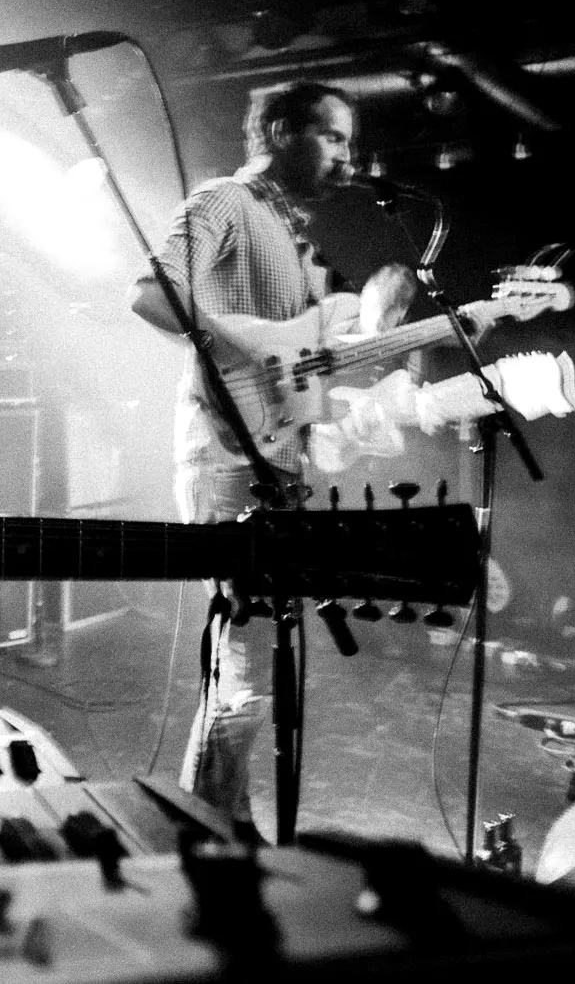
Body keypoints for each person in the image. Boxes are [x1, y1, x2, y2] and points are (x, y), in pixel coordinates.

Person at [128, 80, 419, 838]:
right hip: (225, 457)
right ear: (282, 130)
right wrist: (247, 340)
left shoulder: (296, 241)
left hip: (277, 460)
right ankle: (207, 825)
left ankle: (221, 816)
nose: (345, 158)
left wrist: (403, 328)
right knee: (246, 662)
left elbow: (312, 363)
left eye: (349, 143)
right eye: (332, 137)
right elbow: (151, 296)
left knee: (253, 659)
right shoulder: (223, 201)